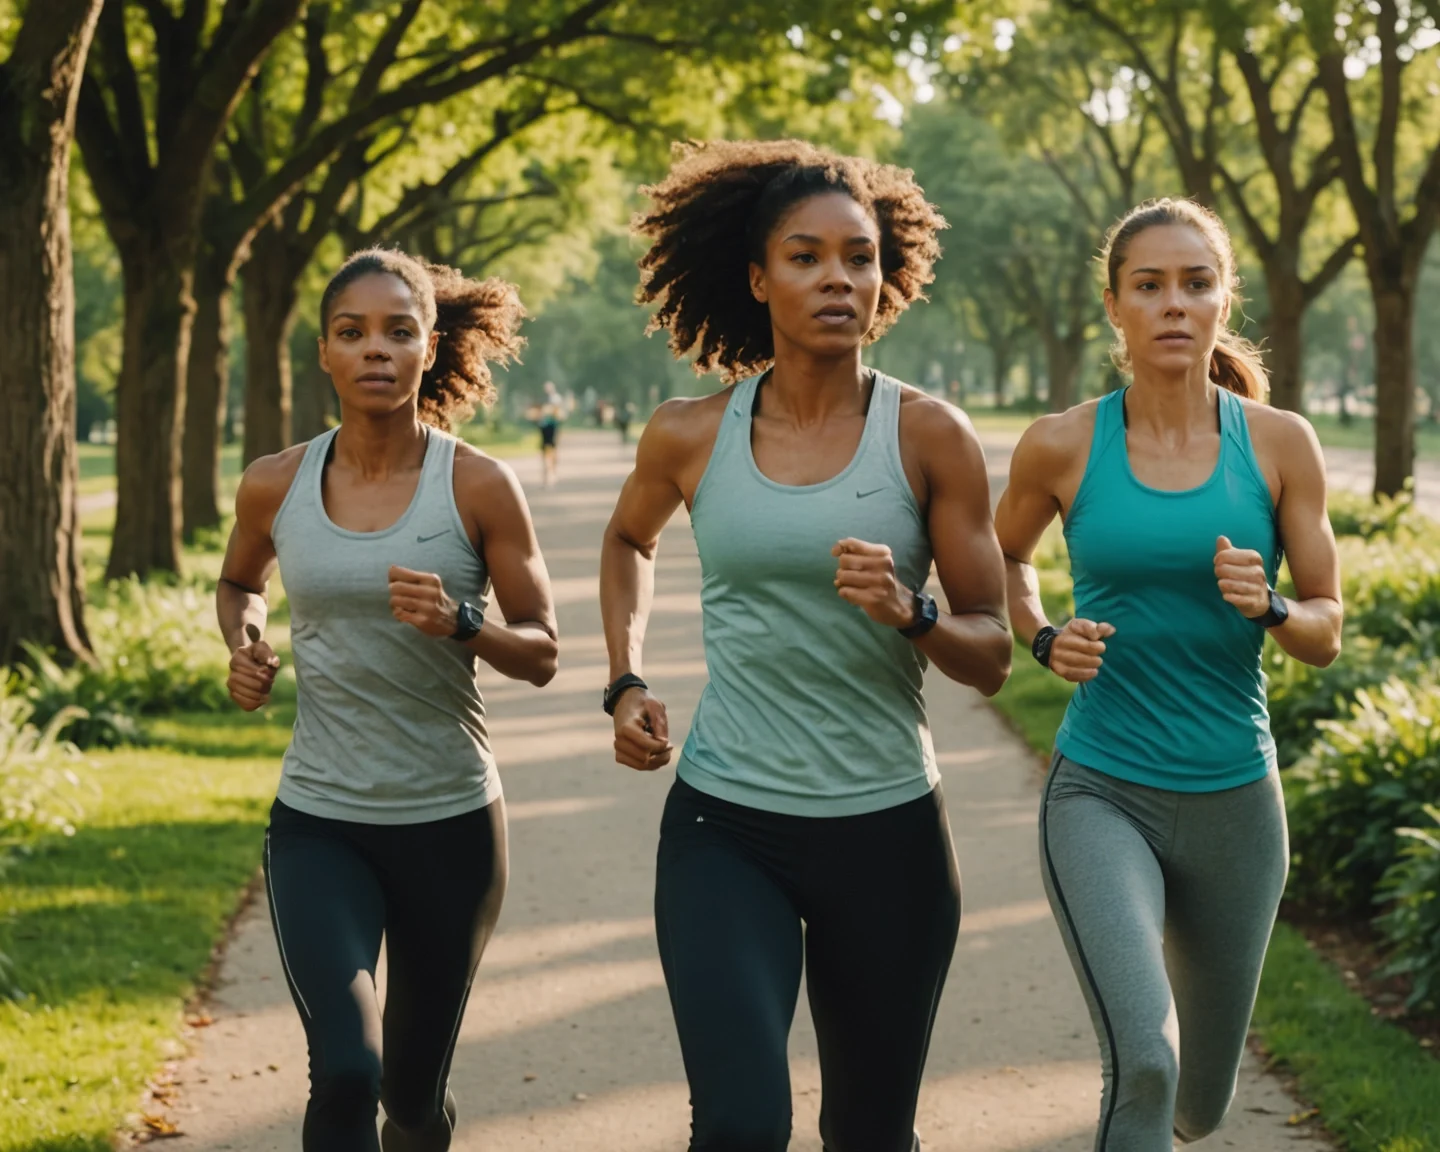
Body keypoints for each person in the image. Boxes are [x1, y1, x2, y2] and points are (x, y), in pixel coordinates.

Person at [599, 139, 1012, 1152]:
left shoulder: (930, 436)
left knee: (871, 1135)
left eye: (860, 257)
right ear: (756, 279)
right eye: (806, 256)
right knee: (739, 1124)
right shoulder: (689, 435)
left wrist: (911, 613)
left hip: (888, 833)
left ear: (887, 276)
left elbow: (992, 650)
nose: (839, 278)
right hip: (726, 827)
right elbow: (626, 539)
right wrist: (624, 680)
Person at [994, 198, 1342, 1149]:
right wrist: (1040, 634)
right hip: (1102, 790)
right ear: (1116, 306)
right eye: (1149, 285)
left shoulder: (1278, 444)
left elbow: (1326, 628)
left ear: (1224, 302)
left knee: (1197, 1102)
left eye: (1196, 283)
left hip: (1237, 800)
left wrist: (1272, 608)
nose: (1174, 304)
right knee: (1144, 1058)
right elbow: (1002, 560)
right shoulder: (1062, 443)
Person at [216, 248, 559, 1151]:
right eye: (352, 332)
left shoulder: (479, 486)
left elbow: (542, 652)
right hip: (320, 820)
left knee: (409, 1098)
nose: (376, 349)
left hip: (450, 822)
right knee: (346, 1072)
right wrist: (245, 645)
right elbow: (238, 582)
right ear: (323, 353)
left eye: (398, 331)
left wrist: (463, 625)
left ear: (428, 348)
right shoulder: (275, 482)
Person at [536, 380, 567, 486]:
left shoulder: (556, 399)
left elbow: (560, 414)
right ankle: (546, 471)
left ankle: (553, 470)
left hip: (553, 426)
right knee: (544, 449)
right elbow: (538, 413)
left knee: (553, 449)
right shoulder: (542, 400)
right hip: (544, 427)